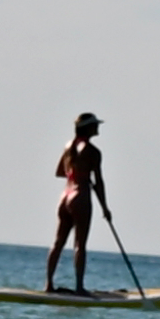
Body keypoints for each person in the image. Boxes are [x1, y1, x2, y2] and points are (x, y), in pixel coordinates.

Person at [45, 112, 111, 294]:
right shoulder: (93, 151)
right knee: (80, 244)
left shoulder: (68, 146)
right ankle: (79, 287)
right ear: (89, 128)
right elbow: (99, 182)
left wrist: (76, 173)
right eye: (95, 125)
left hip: (65, 195)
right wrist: (105, 208)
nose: (98, 128)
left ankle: (48, 284)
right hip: (80, 196)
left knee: (58, 242)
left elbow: (60, 172)